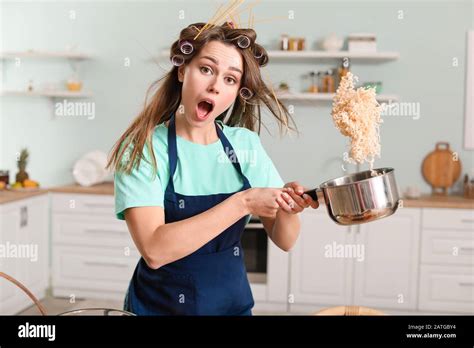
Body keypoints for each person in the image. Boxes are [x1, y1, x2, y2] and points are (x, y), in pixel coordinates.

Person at [106, 22, 319, 316]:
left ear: (235, 93)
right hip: (159, 308)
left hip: (231, 305)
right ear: (182, 71)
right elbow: (155, 250)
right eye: (206, 69)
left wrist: (288, 207)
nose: (215, 86)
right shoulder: (145, 148)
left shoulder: (244, 145)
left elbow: (285, 239)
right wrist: (243, 202)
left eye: (230, 80)